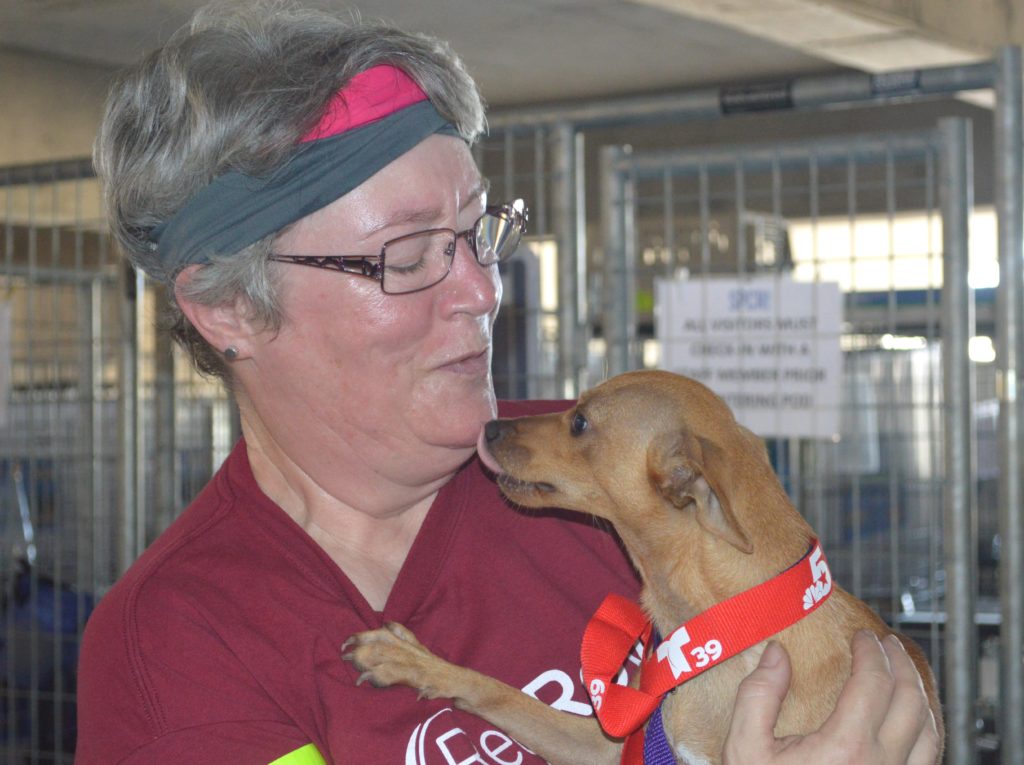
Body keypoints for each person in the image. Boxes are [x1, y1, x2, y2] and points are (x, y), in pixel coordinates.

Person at [75, 3, 941, 764]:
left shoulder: (600, 480)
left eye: (478, 232)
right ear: (227, 309)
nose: (485, 290)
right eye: (408, 256)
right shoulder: (180, 643)